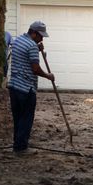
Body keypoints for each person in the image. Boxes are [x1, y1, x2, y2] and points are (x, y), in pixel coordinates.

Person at [7, 20, 55, 153]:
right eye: (40, 36)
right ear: (34, 33)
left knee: (18, 117)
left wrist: (37, 50)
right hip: (26, 89)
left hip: (14, 87)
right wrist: (48, 76)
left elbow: (23, 56)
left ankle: (17, 144)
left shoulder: (18, 41)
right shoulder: (32, 46)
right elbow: (35, 69)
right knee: (26, 118)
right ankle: (21, 147)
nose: (42, 39)